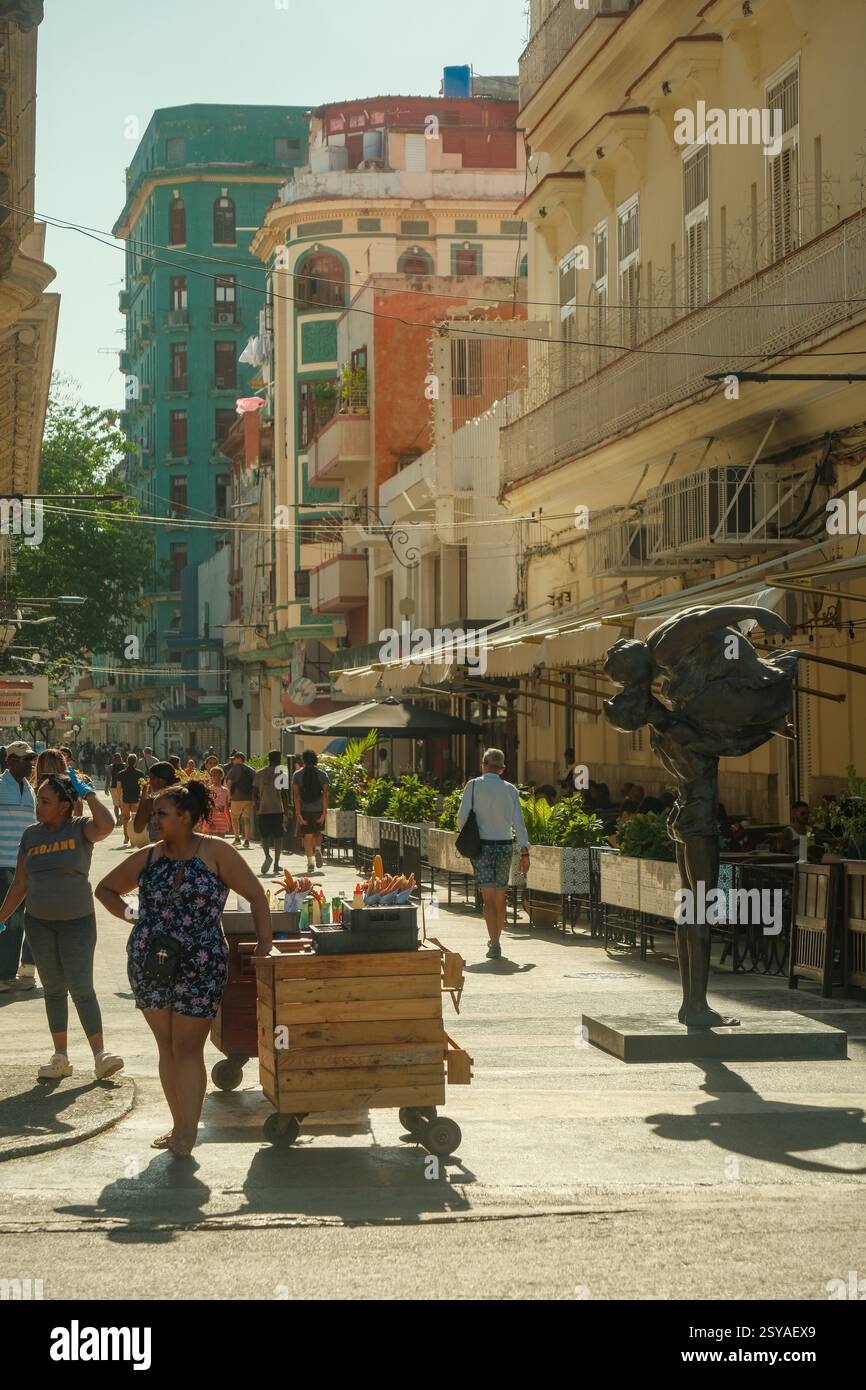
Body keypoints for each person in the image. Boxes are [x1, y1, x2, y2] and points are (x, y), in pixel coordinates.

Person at [95, 779, 273, 1158]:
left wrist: (264, 942)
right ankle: (178, 1126)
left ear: (186, 816)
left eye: (161, 813)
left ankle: (187, 1135)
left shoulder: (215, 852)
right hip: (150, 961)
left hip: (201, 961)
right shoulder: (148, 856)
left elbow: (256, 894)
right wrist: (136, 917)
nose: (154, 820)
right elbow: (106, 890)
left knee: (188, 1046)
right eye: (154, 814)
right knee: (167, 1046)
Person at [0, 768, 122, 1079]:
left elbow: (108, 825)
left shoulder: (80, 829)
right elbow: (19, 884)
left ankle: (100, 1055)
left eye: (44, 801)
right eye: (37, 800)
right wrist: (0, 918)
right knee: (54, 990)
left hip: (77, 922)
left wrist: (89, 794)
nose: (37, 807)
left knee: (82, 988)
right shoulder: (31, 835)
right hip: (39, 924)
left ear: (64, 805)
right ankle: (61, 1057)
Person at [456, 748, 530, 961]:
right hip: (505, 846)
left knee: (487, 898)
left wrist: (470, 835)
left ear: (483, 765)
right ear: (502, 769)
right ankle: (496, 940)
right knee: (500, 896)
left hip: (483, 847)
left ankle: (495, 943)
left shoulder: (473, 786)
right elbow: (519, 823)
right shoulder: (510, 790)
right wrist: (524, 851)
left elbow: (462, 818)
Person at [0, 740, 38, 992]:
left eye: (30, 759)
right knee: (10, 920)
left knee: (22, 920)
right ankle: (5, 975)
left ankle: (9, 972)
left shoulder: (31, 789)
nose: (29, 764)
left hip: (26, 867)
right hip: (3, 864)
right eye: (23, 759)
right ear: (10, 761)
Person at [291, 750, 329, 874]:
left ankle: (310, 862)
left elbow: (296, 796)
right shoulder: (322, 774)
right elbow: (325, 795)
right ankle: (318, 849)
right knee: (318, 832)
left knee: (307, 836)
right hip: (318, 809)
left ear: (303, 760)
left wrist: (298, 814)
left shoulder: (297, 775)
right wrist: (324, 813)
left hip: (304, 809)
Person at [252, 750, 289, 876]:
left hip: (263, 809)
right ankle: (276, 863)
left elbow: (255, 792)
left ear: (269, 758)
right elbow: (284, 794)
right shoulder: (281, 773)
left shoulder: (260, 773)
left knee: (264, 836)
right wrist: (286, 812)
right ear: (279, 760)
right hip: (278, 809)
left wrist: (257, 807)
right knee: (279, 837)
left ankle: (267, 856)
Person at [132, 761, 179, 844]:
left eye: (151, 778)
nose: (149, 782)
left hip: (161, 851)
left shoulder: (152, 803)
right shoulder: (183, 797)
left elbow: (137, 828)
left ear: (159, 780)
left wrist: (143, 798)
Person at [226, 752, 254, 848]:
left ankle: (237, 838)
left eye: (234, 759)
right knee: (246, 819)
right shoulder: (250, 769)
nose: (233, 761)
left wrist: (229, 795)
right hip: (249, 798)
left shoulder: (235, 768)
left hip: (237, 797)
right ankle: (247, 840)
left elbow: (229, 782)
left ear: (239, 759)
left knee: (234, 817)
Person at [118, 753, 143, 847]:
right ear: (135, 762)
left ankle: (126, 837)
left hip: (125, 799)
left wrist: (118, 800)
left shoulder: (121, 774)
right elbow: (142, 787)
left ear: (127, 762)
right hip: (136, 799)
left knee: (125, 819)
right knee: (134, 820)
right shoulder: (140, 773)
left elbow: (119, 788)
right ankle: (133, 838)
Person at [204, 766, 231, 837]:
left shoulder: (225, 790)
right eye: (211, 775)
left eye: (215, 775)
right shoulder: (209, 789)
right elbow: (207, 805)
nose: (213, 777)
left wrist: (228, 820)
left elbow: (226, 807)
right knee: (210, 840)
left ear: (221, 776)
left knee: (221, 840)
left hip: (222, 819)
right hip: (211, 818)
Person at [107, 753, 124, 824]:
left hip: (114, 787)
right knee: (122, 804)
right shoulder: (124, 765)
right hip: (123, 787)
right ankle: (121, 819)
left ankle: (118, 820)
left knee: (116, 805)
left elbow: (108, 777)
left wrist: (106, 787)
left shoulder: (111, 766)